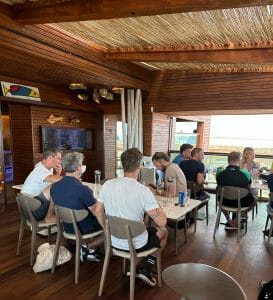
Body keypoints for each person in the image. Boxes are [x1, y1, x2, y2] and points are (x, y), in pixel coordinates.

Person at [98, 148, 168, 287]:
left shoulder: (107, 184)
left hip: (113, 240)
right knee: (163, 231)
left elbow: (98, 211)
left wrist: (107, 230)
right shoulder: (143, 191)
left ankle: (135, 264)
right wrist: (155, 202)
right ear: (139, 165)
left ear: (123, 164)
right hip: (136, 243)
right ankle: (147, 269)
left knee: (144, 226)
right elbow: (162, 221)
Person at [50, 152, 105, 262]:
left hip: (66, 227)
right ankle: (87, 248)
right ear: (78, 168)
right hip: (82, 228)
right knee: (109, 227)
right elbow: (97, 212)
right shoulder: (83, 190)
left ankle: (87, 249)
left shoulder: (54, 187)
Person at [216, 151, 256, 229]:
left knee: (220, 199)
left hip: (224, 202)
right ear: (239, 160)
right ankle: (237, 219)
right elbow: (249, 186)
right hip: (241, 202)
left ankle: (229, 220)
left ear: (228, 160)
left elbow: (219, 185)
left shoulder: (219, 173)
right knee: (254, 200)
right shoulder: (246, 173)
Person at [21, 147, 62, 221]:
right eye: (58, 158)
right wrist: (72, 177)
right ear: (50, 158)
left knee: (57, 189)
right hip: (34, 211)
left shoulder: (45, 168)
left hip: (29, 210)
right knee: (54, 188)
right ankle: (49, 217)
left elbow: (56, 181)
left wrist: (58, 173)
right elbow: (56, 182)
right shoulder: (40, 170)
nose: (60, 162)